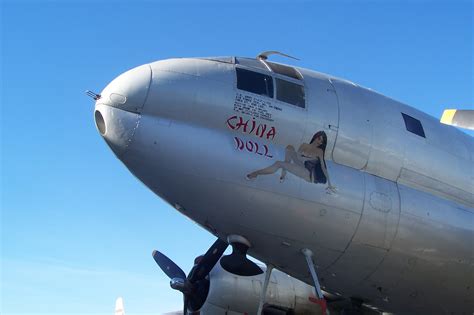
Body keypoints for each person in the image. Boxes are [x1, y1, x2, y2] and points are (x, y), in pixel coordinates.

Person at [246, 131, 337, 193]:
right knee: (289, 147)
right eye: (319, 139)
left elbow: (323, 167)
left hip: (308, 173)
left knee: (278, 163)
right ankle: (283, 175)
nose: (319, 142)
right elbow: (298, 156)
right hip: (302, 165)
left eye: (322, 141)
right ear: (315, 137)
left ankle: (256, 173)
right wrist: (304, 158)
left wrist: (329, 183)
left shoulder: (319, 151)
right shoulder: (305, 145)